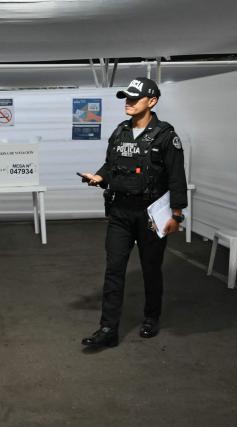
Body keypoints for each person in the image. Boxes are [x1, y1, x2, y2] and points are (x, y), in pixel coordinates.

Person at [80, 77, 187, 349]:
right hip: (120, 213)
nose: (128, 103)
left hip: (151, 214)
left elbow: (176, 178)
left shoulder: (166, 136)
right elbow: (110, 165)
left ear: (152, 101)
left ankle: (151, 317)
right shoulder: (119, 132)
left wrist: (176, 215)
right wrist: (99, 177)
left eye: (134, 98)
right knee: (113, 269)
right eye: (126, 98)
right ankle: (108, 328)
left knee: (151, 269)